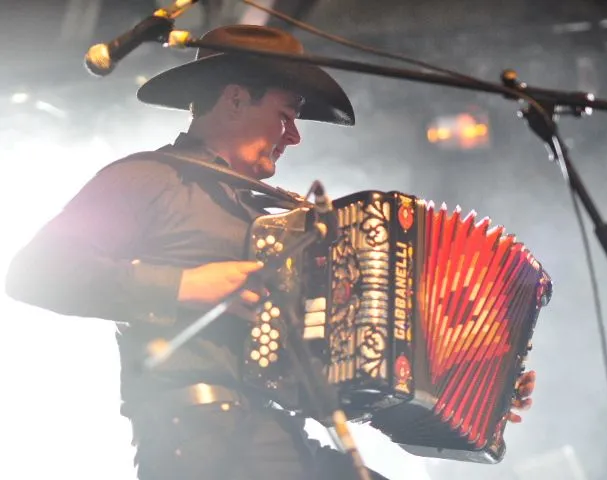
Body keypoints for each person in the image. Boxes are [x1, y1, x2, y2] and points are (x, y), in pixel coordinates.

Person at [4, 25, 535, 480]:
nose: (295, 136)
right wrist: (188, 286)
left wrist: (473, 382)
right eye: (286, 115)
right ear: (235, 98)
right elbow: (35, 273)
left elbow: (352, 372)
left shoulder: (281, 222)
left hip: (276, 436)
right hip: (200, 445)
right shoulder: (146, 178)